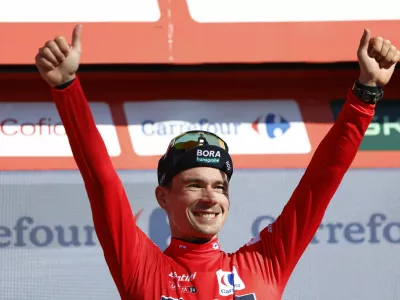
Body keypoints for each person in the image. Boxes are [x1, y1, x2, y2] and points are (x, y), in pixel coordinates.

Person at [35, 24, 399, 300]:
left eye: (220, 186)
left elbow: (320, 183)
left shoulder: (265, 262)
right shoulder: (142, 267)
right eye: (194, 184)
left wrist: (366, 94)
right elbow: (101, 181)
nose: (211, 197)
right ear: (163, 198)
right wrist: (68, 89)